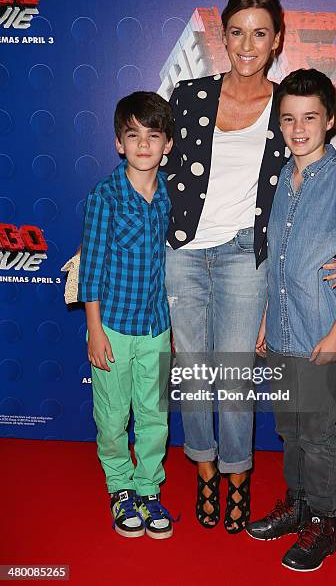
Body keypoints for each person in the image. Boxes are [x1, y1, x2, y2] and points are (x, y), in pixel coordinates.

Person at [163, 0, 336, 534]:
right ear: (224, 37)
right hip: (184, 253)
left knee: (238, 375)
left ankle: (238, 475)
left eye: (260, 32)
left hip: (246, 254)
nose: (248, 43)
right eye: (238, 31)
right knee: (196, 372)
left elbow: (323, 173)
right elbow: (150, 166)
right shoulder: (190, 95)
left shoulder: (284, 105)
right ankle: (203, 469)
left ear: (277, 40)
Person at [246, 69, 336, 570]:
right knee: (290, 431)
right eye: (288, 119)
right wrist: (263, 321)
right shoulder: (281, 178)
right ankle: (296, 505)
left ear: (330, 121)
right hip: (281, 330)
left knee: (319, 435)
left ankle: (322, 523)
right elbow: (277, 258)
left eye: (310, 118)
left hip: (322, 330)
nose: (298, 128)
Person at [78, 91, 175, 539]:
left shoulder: (167, 195)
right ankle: (119, 487)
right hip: (112, 328)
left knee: (154, 415)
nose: (142, 145)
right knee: (114, 416)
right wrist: (94, 330)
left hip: (156, 327)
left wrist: (168, 332)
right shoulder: (105, 198)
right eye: (133, 135)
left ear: (167, 144)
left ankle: (148, 489)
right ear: (119, 142)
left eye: (152, 136)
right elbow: (91, 270)